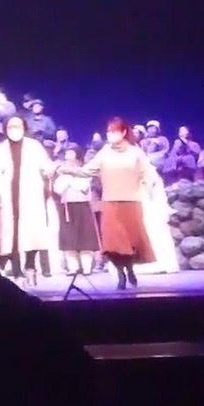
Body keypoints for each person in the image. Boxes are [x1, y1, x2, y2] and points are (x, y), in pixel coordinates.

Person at [58, 117, 157, 290]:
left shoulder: (135, 152)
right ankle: (120, 274)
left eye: (114, 131)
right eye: (109, 132)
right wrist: (69, 170)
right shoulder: (105, 152)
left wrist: (149, 189)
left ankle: (130, 270)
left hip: (131, 202)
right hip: (110, 202)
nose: (110, 135)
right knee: (113, 243)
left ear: (123, 132)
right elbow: (87, 170)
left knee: (129, 242)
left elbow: (148, 173)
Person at [0, 115, 55, 286]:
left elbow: (45, 165)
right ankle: (17, 271)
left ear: (24, 127)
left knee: (32, 233)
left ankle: (30, 267)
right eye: (11, 127)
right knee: (12, 235)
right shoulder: (0, 149)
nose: (14, 130)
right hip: (8, 196)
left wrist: (52, 169)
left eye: (18, 126)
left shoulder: (34, 146)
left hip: (30, 194)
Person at [52, 148, 101, 275]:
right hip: (67, 208)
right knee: (69, 239)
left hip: (82, 207)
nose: (69, 163)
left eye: (72, 160)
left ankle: (86, 267)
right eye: (67, 160)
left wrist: (72, 176)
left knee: (85, 238)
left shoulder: (85, 175)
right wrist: (66, 177)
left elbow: (83, 187)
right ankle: (73, 267)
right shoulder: (61, 178)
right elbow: (58, 189)